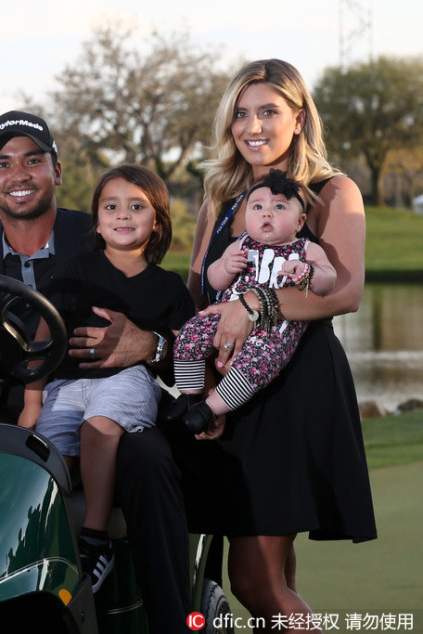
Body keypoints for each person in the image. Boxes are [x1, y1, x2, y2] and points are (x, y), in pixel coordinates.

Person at [0, 111, 193, 632]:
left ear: (57, 169)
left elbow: (185, 345)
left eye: (33, 160)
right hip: (16, 408)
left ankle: (170, 618)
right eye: (3, 164)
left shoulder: (105, 229)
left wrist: (150, 345)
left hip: (117, 395)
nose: (19, 174)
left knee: (147, 456)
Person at [183, 59, 376, 632]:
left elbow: (344, 294)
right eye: (240, 114)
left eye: (268, 111)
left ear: (299, 116)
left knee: (253, 578)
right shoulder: (218, 198)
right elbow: (198, 290)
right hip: (228, 386)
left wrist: (253, 305)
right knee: (274, 569)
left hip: (296, 386)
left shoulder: (331, 191)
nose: (252, 126)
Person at [18, 165, 194, 592]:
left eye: (137, 207)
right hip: (66, 384)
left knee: (98, 426)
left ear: (157, 222)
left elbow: (189, 349)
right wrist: (32, 399)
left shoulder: (168, 287)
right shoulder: (76, 269)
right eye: (111, 206)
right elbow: (45, 330)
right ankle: (46, 541)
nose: (123, 215)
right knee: (50, 447)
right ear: (96, 221)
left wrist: (198, 397)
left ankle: (96, 539)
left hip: (129, 378)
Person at [173, 169, 336, 433]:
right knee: (190, 334)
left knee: (253, 369)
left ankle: (209, 409)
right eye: (257, 206)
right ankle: (190, 396)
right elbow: (215, 280)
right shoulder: (241, 245)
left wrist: (307, 272)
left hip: (274, 332)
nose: (267, 213)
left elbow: (329, 281)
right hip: (226, 317)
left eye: (279, 207)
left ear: (299, 221)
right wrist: (226, 266)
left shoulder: (306, 250)